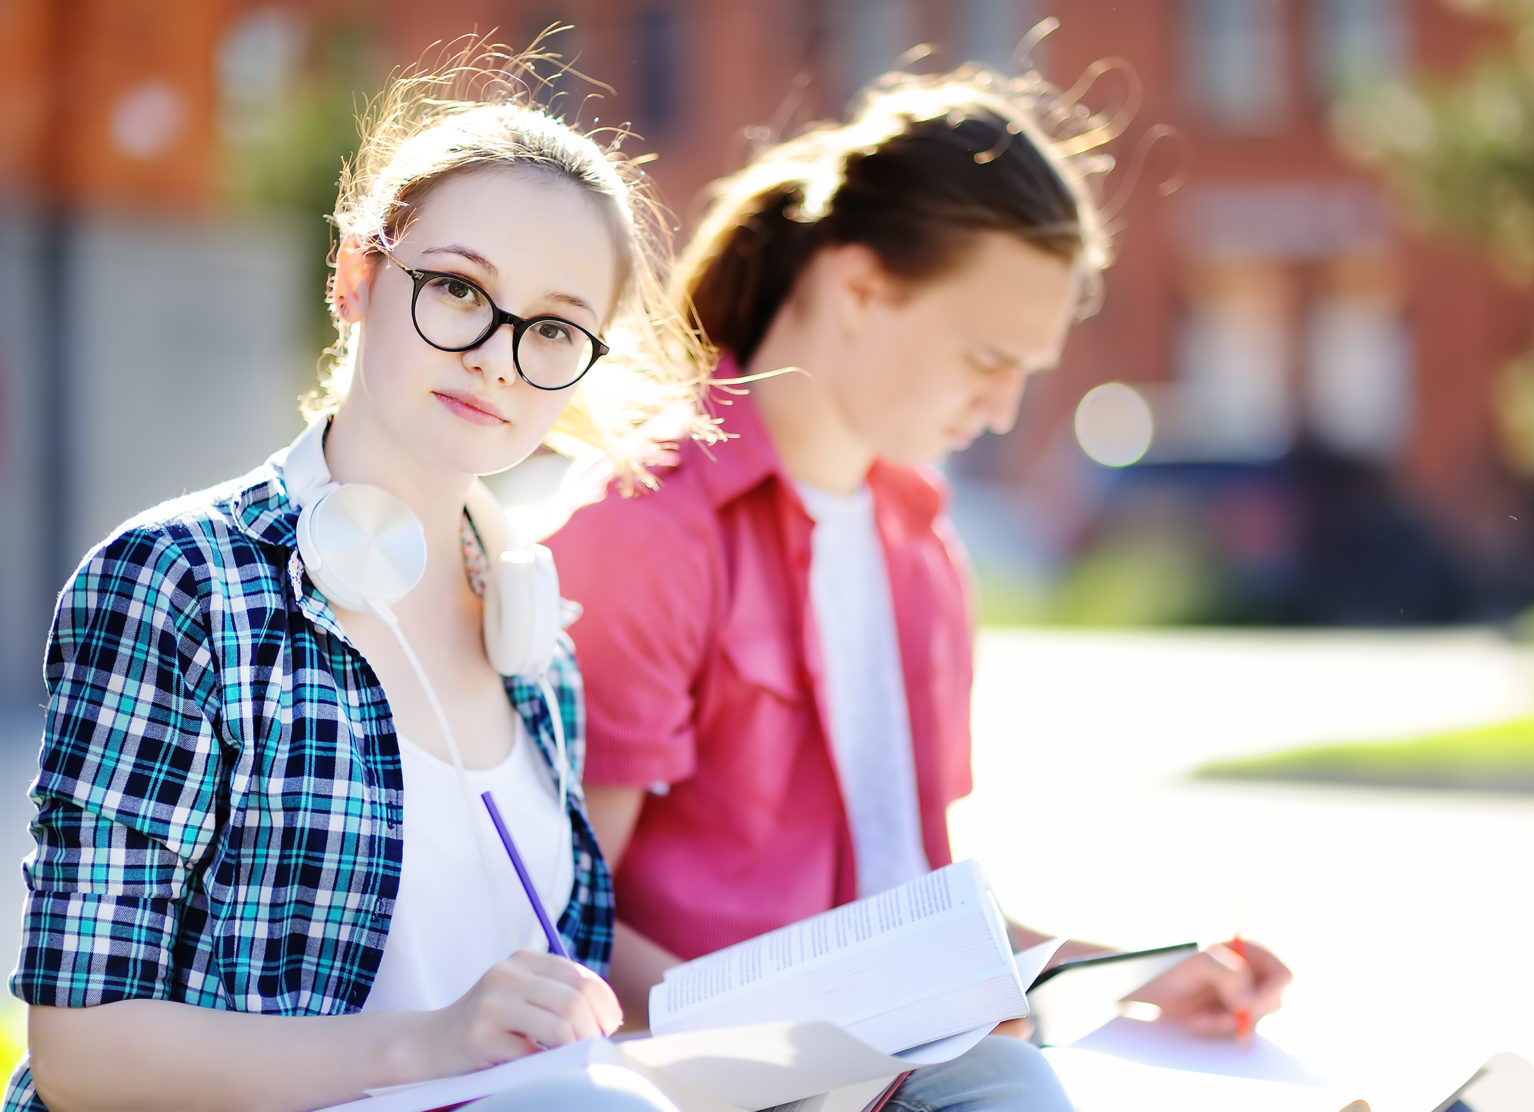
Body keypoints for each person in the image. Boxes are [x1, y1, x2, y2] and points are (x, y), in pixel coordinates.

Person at [546, 65, 1292, 1108]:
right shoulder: (647, 527)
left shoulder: (923, 549)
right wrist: (806, 1055)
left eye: (1024, 371)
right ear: (856, 288)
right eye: (984, 356)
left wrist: (1135, 969)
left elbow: (903, 906)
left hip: (920, 1066)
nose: (999, 410)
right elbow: (559, 917)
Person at [5, 40, 707, 1112]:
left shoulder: (535, 638)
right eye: (459, 289)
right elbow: (82, 1053)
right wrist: (424, 1044)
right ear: (356, 276)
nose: (496, 355)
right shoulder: (180, 582)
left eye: (554, 328)